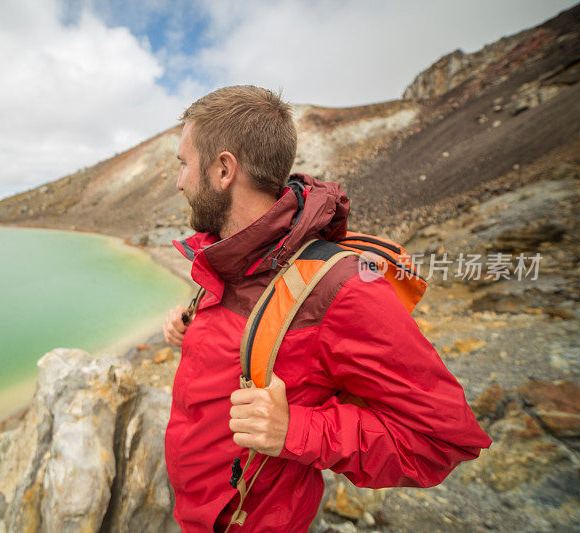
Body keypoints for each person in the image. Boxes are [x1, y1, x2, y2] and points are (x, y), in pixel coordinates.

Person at [162, 85, 492, 532]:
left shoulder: (341, 289)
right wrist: (191, 328)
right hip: (196, 512)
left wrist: (293, 430)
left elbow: (439, 440)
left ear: (224, 170)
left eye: (184, 164)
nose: (179, 180)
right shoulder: (225, 257)